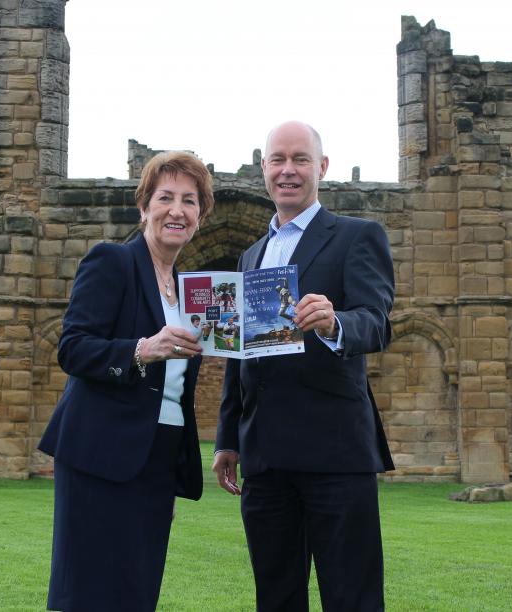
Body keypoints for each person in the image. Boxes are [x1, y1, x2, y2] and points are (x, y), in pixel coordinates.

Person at [212, 121, 395, 612]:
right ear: (264, 169)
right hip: (266, 458)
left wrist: (335, 322)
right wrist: (228, 438)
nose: (288, 170)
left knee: (350, 595)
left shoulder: (357, 237)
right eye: (278, 160)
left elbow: (376, 323)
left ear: (322, 168)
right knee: (276, 597)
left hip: (335, 451)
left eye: (300, 160)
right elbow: (239, 353)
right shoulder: (251, 256)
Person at [39, 151, 214, 611]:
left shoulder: (193, 291)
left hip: (157, 458)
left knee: (137, 592)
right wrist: (142, 349)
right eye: (166, 197)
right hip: (101, 453)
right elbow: (72, 348)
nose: (177, 210)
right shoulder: (112, 262)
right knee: (89, 592)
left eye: (190, 201)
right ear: (144, 208)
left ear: (201, 216)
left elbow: (177, 389)